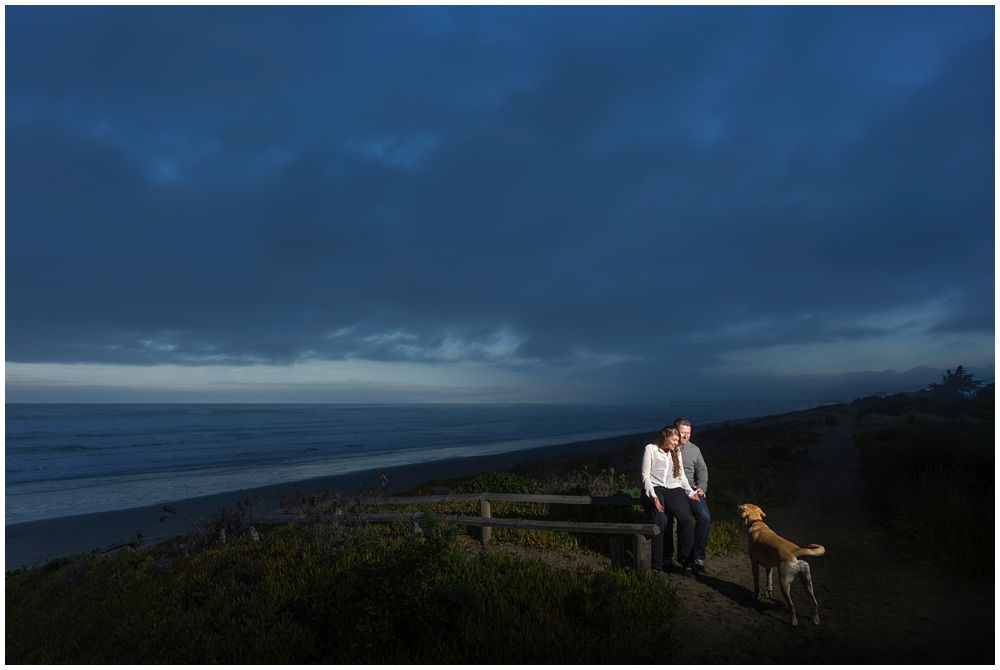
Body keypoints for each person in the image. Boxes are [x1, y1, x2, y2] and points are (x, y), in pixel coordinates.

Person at [640, 425, 704, 574]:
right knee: (661, 521)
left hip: (673, 487)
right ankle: (657, 565)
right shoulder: (650, 449)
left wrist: (690, 492)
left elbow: (681, 476)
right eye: (674, 440)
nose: (677, 443)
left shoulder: (676, 452)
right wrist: (653, 497)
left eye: (678, 441)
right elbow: (645, 476)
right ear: (665, 437)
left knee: (687, 519)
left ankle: (685, 559)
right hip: (654, 487)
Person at [675, 417, 711, 573]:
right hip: (675, 490)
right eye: (682, 432)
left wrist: (702, 487)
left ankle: (698, 556)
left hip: (693, 488)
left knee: (705, 517)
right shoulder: (669, 447)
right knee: (686, 521)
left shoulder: (695, 450)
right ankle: (685, 559)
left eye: (688, 433)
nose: (685, 436)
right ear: (676, 431)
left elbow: (702, 470)